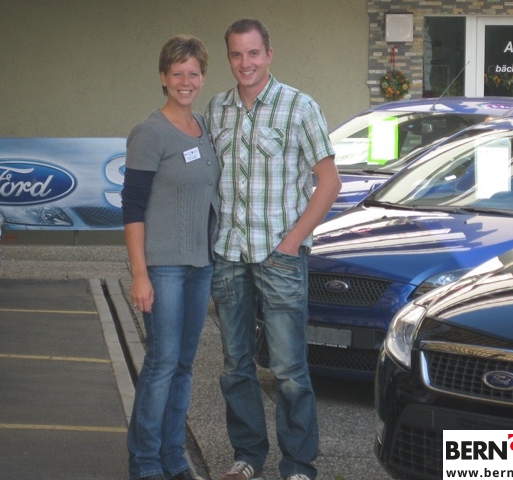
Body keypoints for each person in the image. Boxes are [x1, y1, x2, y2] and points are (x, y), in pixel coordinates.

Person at [204, 18, 341, 480]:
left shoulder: (300, 107)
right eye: (236, 54)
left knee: (288, 369)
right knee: (235, 366)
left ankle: (298, 464)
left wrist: (291, 242)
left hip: (280, 256)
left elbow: (329, 183)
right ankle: (247, 456)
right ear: (229, 58)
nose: (245, 63)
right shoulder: (217, 109)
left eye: (253, 53)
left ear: (269, 54)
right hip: (229, 255)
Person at [122, 34, 219, 480]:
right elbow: (132, 207)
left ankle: (173, 457)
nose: (185, 81)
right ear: (163, 77)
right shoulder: (149, 132)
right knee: (161, 364)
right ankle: (145, 463)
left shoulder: (204, 126)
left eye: (193, 73)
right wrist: (140, 274)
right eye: (177, 73)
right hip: (162, 268)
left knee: (183, 365)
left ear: (203, 77)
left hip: (200, 265)